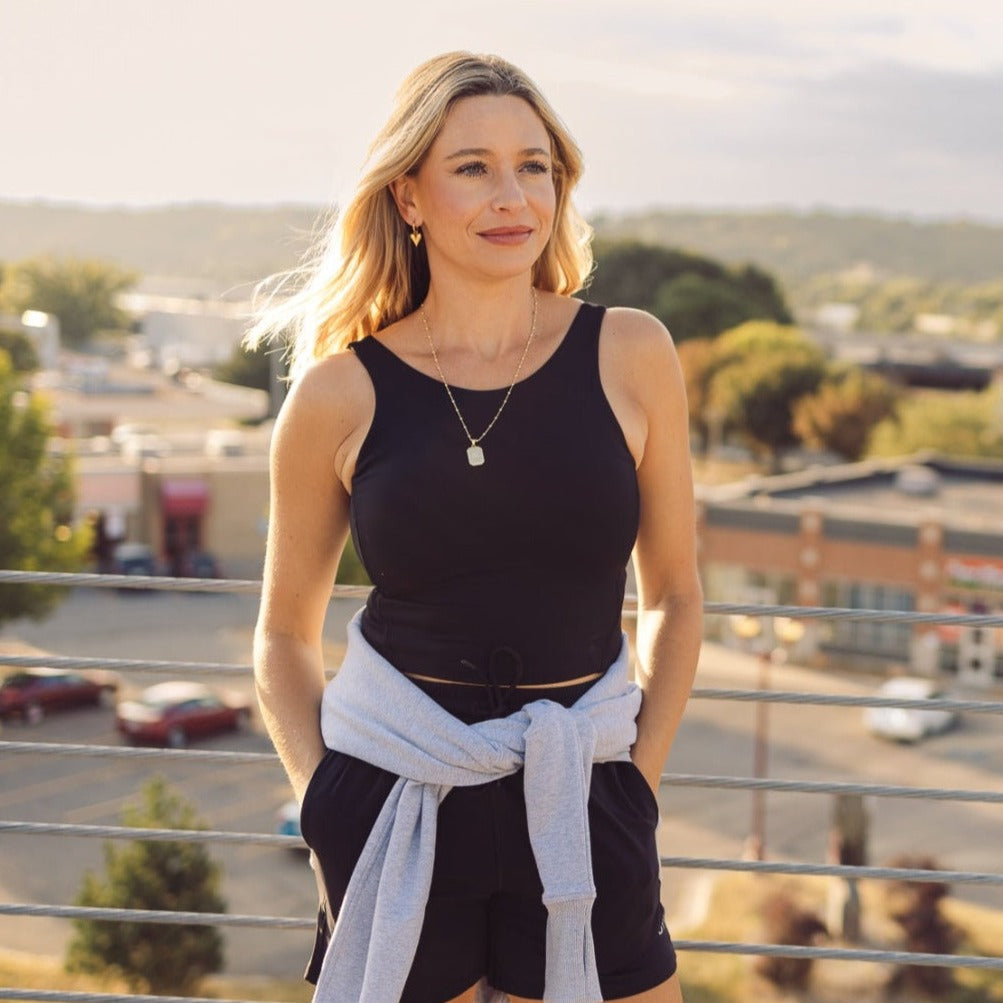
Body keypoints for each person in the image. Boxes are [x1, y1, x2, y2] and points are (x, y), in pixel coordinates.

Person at [249, 51, 703, 1003]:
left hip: (585, 787)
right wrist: (323, 795)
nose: (512, 196)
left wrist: (635, 781)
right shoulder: (339, 392)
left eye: (533, 166)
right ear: (409, 195)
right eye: (473, 167)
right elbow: (284, 631)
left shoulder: (630, 351)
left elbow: (672, 593)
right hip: (396, 795)